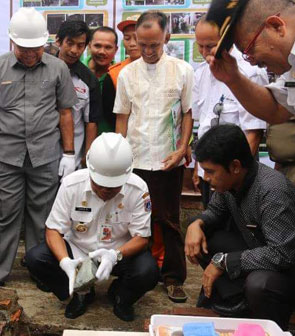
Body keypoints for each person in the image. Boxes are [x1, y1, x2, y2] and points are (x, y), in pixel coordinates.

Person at [0, 8, 77, 286]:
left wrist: (69, 154)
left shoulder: (58, 68)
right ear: (12, 42)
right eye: (24, 48)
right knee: (6, 215)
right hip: (7, 156)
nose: (31, 54)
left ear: (45, 43)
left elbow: (65, 112)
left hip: (46, 155)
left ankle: (40, 270)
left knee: (42, 218)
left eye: (36, 48)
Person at [26, 133, 159, 322]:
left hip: (119, 253)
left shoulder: (138, 189)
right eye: (100, 185)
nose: (105, 190)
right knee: (36, 258)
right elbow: (53, 230)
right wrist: (64, 261)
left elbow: (142, 238)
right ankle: (80, 293)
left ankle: (122, 297)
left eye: (113, 187)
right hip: (79, 250)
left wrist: (114, 255)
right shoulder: (72, 185)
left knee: (148, 271)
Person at [114, 11, 194, 303]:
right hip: (133, 160)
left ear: (166, 39)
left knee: (169, 221)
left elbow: (187, 114)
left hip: (166, 160)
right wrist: (119, 156)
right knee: (131, 222)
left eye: (154, 45)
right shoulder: (126, 73)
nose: (147, 51)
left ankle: (174, 279)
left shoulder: (182, 70)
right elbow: (123, 117)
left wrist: (182, 148)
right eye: (142, 44)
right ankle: (132, 274)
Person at [185, 124, 295, 330]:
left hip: (286, 271)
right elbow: (215, 212)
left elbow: (282, 254)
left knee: (258, 284)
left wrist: (224, 262)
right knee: (204, 238)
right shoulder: (229, 182)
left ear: (235, 166)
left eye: (210, 171)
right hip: (257, 252)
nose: (205, 178)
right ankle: (236, 302)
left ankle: (273, 326)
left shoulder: (272, 191)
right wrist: (196, 224)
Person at [192, 16, 267, 208]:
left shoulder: (249, 73)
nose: (204, 52)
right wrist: (198, 169)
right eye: (199, 46)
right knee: (211, 227)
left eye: (210, 46)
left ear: (227, 39)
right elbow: (202, 126)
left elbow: (253, 134)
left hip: (235, 174)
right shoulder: (200, 73)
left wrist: (234, 178)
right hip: (207, 172)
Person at [205, 0, 295, 124]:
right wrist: (233, 78)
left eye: (250, 50)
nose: (252, 62)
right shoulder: (292, 65)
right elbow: (276, 110)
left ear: (276, 26)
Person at [56, 20, 102, 169]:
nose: (74, 50)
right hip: (43, 156)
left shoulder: (89, 80)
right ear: (58, 41)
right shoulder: (42, 69)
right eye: (70, 43)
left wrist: (86, 156)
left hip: (73, 158)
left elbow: (92, 122)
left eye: (80, 45)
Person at [101, 15, 141, 132]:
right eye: (127, 38)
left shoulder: (166, 68)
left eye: (137, 37)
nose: (132, 43)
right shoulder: (115, 74)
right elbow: (111, 114)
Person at [83, 26, 118, 133]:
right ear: (89, 46)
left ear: (116, 50)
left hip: (111, 144)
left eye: (108, 47)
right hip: (80, 144)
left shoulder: (119, 75)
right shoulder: (76, 73)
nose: (102, 52)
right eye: (97, 46)